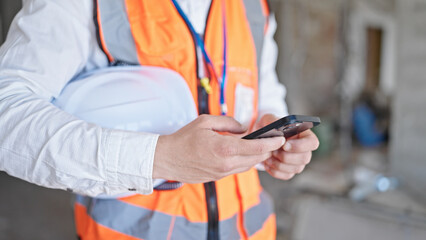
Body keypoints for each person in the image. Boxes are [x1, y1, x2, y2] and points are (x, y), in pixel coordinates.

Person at [0, 0, 319, 239]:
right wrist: (158, 158)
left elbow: (264, 87)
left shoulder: (253, 7)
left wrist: (275, 130)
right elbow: (7, 115)